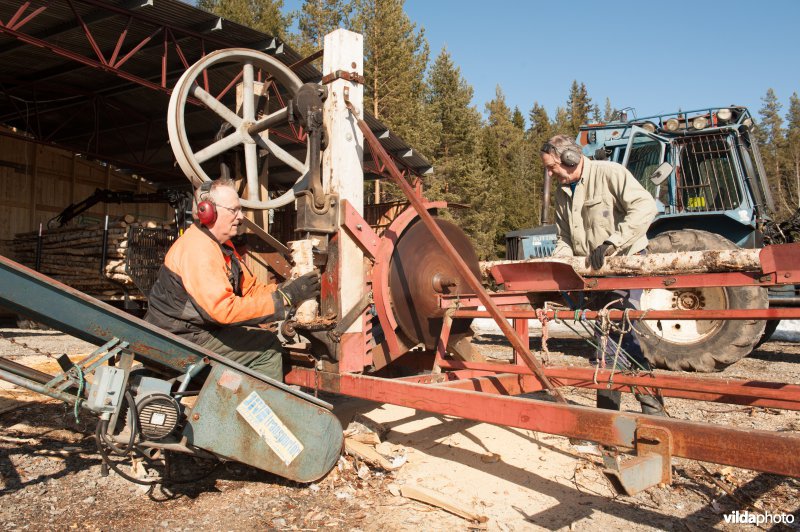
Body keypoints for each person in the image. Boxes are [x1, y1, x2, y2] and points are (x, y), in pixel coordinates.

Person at [145, 178, 319, 382]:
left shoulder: (222, 246)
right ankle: (258, 412)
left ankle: (233, 397)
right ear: (207, 211)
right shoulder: (198, 250)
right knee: (267, 347)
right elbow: (223, 311)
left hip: (194, 332)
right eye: (234, 210)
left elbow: (250, 290)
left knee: (254, 334)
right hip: (176, 339)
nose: (241, 216)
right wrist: (285, 298)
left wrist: (288, 289)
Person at [540, 134, 664, 415]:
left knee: (612, 336)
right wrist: (560, 263)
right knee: (610, 336)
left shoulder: (610, 173)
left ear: (570, 158)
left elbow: (646, 207)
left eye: (551, 167)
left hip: (625, 262)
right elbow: (564, 238)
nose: (550, 173)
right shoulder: (563, 192)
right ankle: (632, 412)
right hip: (593, 271)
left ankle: (625, 416)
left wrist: (612, 243)